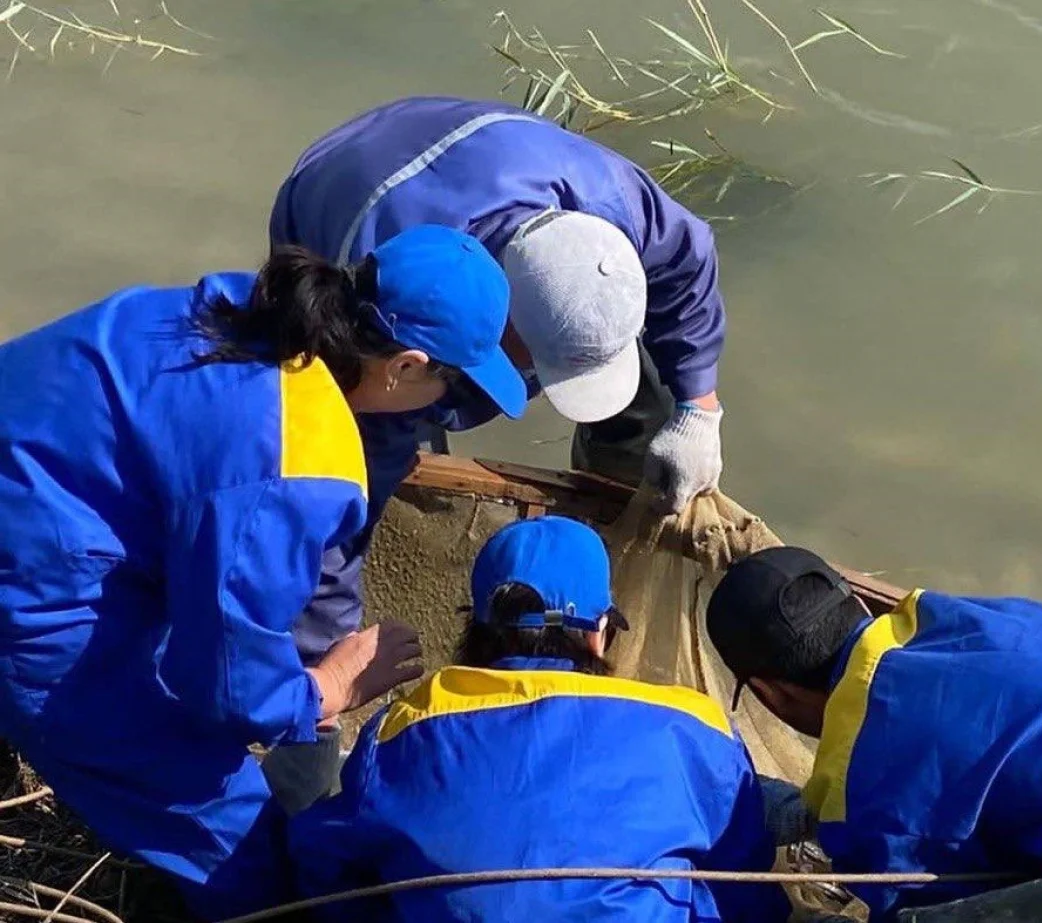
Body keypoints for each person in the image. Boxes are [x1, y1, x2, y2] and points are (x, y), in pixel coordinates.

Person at [0, 225, 526, 919]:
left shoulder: (240, 307)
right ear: (404, 366)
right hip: (31, 584)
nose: (442, 407)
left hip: (40, 481)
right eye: (449, 386)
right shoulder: (298, 461)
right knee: (258, 859)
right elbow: (223, 686)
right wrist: (330, 687)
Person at [270, 96, 729, 703]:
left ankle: (613, 512)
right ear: (495, 320)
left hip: (488, 156)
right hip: (345, 192)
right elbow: (340, 501)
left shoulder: (611, 212)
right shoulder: (396, 301)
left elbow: (689, 263)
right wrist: (323, 679)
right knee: (384, 445)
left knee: (643, 416)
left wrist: (700, 406)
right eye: (532, 365)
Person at [289, 516, 791, 923]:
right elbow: (747, 884)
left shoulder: (405, 727)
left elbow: (322, 861)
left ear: (478, 628)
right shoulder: (694, 724)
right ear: (599, 633)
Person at [705, 546, 1042, 922]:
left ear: (770, 695)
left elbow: (931, 906)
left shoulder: (873, 793)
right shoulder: (962, 617)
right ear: (855, 601)